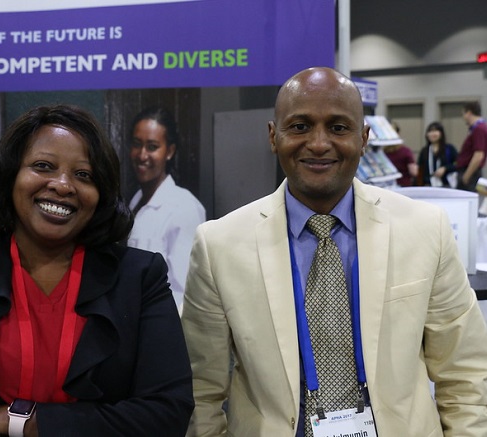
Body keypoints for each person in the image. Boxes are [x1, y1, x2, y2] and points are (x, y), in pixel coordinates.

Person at [181, 67, 487, 436]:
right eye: (300, 126)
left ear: (364, 138)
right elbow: (201, 390)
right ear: (273, 136)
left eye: (339, 128)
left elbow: (465, 373)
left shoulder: (425, 229)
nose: (319, 143)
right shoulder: (219, 245)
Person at [0, 104, 193, 436]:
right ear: (10, 175)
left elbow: (165, 414)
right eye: (43, 166)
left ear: (100, 194)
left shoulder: (139, 277)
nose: (62, 185)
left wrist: (20, 421)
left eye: (83, 175)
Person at [127, 106, 205, 313]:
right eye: (137, 144)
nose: (142, 155)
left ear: (169, 151)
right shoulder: (134, 201)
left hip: (160, 327)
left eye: (152, 147)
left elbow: (185, 292)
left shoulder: (184, 207)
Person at [455, 101, 487, 191]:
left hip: (470, 173)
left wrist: (466, 176)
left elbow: (478, 155)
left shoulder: (479, 129)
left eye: (463, 114)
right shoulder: (477, 128)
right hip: (470, 172)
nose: (463, 117)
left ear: (469, 113)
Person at [417, 121, 458, 187]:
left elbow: (458, 164)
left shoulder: (449, 149)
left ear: (441, 133)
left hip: (446, 185)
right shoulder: (424, 151)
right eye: (430, 131)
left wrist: (445, 168)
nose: (433, 134)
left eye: (436, 131)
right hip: (428, 186)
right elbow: (420, 171)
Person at [383, 122, 418, 186]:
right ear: (398, 134)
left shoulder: (381, 152)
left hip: (386, 186)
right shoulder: (405, 151)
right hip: (403, 186)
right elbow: (414, 172)